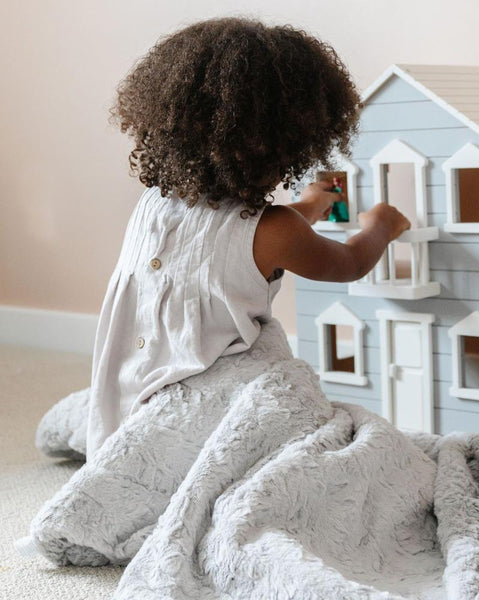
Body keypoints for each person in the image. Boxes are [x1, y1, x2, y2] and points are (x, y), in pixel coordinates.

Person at [86, 17, 410, 459]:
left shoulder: (156, 203)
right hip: (208, 409)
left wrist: (311, 207)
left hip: (127, 388)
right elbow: (348, 262)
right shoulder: (275, 231)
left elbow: (232, 244)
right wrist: (382, 225)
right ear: (287, 146)